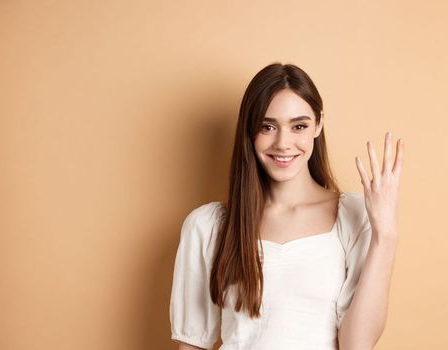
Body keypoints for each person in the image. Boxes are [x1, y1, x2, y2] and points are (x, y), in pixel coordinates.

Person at [169, 63, 404, 349]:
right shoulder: (208, 226)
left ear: (318, 124)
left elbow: (357, 344)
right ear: (249, 129)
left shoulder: (353, 216)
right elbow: (191, 345)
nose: (283, 143)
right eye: (267, 127)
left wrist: (386, 236)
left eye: (299, 126)